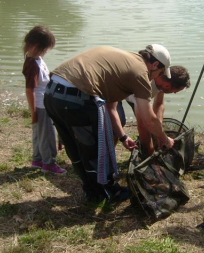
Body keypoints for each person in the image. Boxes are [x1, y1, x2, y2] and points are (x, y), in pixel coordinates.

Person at [44, 44, 175, 202]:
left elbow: (111, 106)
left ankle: (92, 191)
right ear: (154, 65)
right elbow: (148, 118)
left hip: (51, 94)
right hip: (76, 99)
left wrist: (122, 136)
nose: (155, 77)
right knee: (97, 148)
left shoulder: (123, 60)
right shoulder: (140, 72)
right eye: (159, 72)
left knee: (74, 148)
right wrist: (164, 138)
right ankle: (107, 192)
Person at [22, 26, 67, 174]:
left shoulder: (37, 59)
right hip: (40, 105)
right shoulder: (32, 65)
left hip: (42, 103)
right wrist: (34, 111)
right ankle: (49, 163)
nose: (46, 52)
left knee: (38, 133)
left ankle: (37, 159)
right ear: (36, 46)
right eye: (45, 49)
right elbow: (30, 90)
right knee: (47, 135)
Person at [123, 65, 190, 156]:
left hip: (134, 95)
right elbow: (143, 125)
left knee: (152, 127)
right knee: (117, 124)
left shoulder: (162, 79)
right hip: (114, 89)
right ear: (167, 85)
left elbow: (159, 104)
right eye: (176, 90)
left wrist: (159, 133)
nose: (175, 93)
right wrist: (152, 156)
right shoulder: (146, 88)